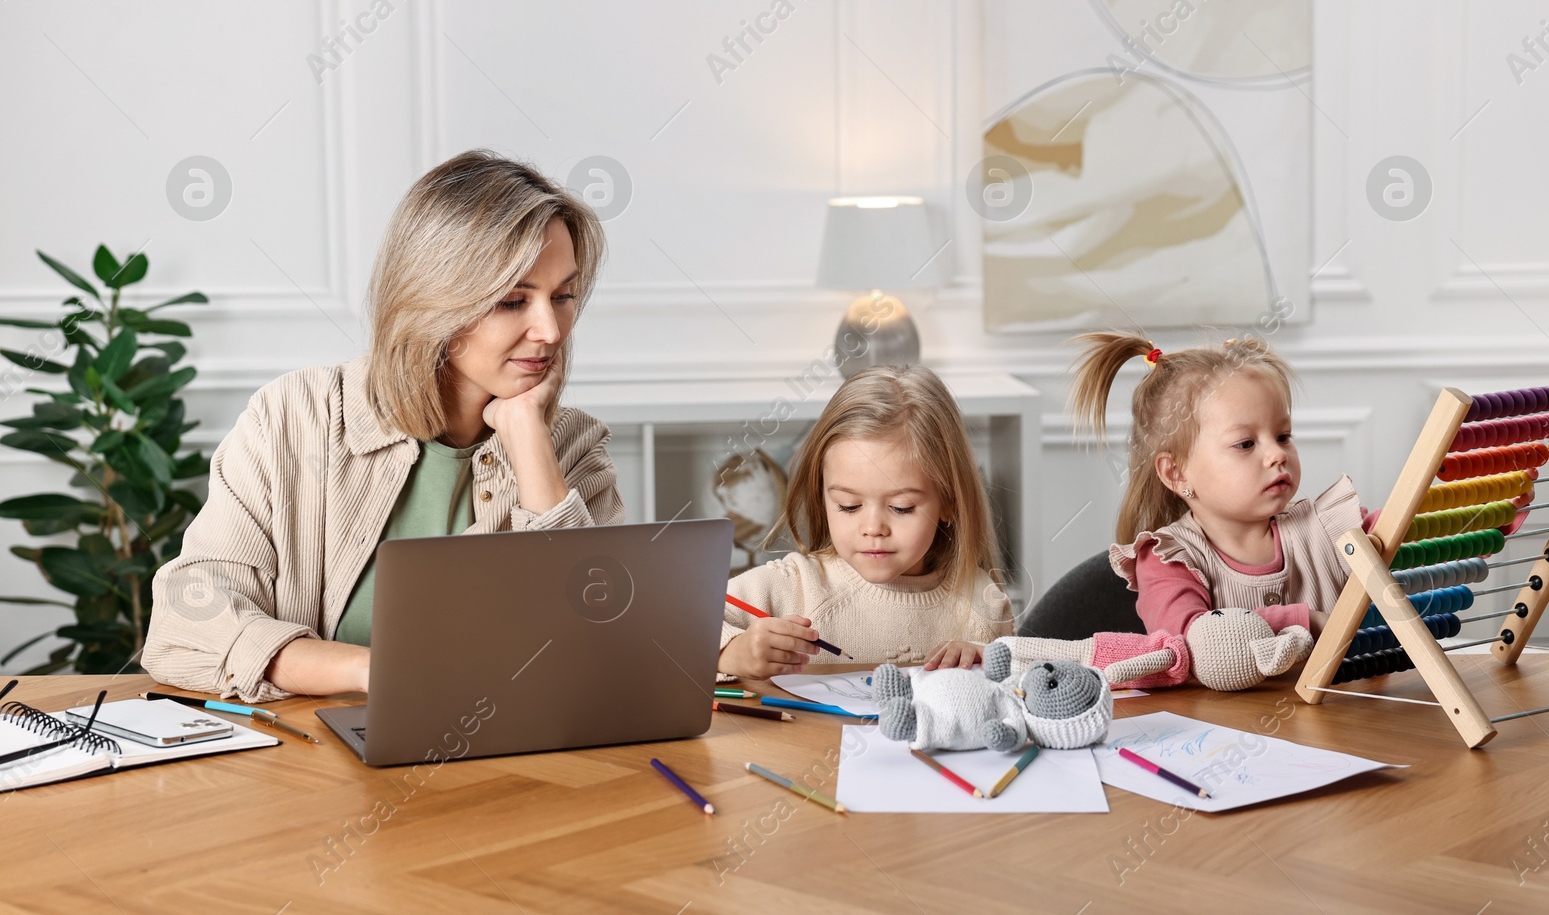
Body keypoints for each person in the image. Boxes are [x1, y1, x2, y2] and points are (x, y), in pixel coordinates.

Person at [142, 150, 623, 701]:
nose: (550, 330)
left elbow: (599, 644)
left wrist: (530, 441)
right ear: (433, 302)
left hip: (513, 763)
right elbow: (187, 624)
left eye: (563, 297)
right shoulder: (294, 418)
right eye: (513, 301)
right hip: (308, 767)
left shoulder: (574, 446)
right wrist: (371, 670)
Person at [717, 365, 1014, 679]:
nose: (873, 528)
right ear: (822, 497)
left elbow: (1031, 696)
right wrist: (732, 651)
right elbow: (675, 626)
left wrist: (995, 665)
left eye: (901, 508)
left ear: (950, 501)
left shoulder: (984, 603)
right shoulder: (793, 585)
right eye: (849, 506)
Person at [1069, 333, 1366, 639]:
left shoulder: (1329, 527)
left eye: (1283, 436)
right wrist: (1303, 621)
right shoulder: (1168, 561)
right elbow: (1191, 639)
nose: (1277, 454)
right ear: (1177, 474)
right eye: (1245, 444)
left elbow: (1399, 528)